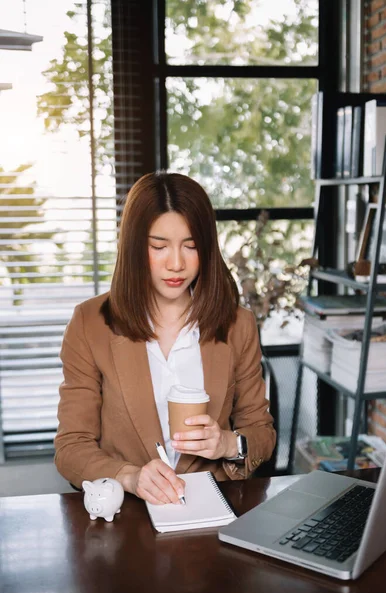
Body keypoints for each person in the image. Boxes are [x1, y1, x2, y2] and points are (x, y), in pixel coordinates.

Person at [55, 171, 276, 506]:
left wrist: (228, 445)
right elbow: (71, 447)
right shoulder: (90, 323)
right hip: (129, 517)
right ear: (133, 246)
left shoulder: (237, 325)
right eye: (159, 246)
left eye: (191, 246)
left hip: (213, 511)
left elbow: (261, 432)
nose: (177, 264)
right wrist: (129, 476)